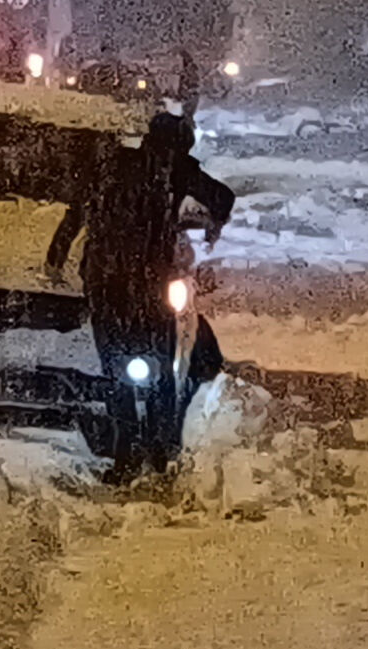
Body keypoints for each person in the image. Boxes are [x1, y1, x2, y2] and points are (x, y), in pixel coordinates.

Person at [46, 106, 238, 421]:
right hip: (148, 282)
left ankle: (124, 430)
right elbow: (222, 198)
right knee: (160, 357)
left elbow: (77, 212)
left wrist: (56, 257)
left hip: (105, 278)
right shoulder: (177, 171)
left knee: (113, 357)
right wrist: (212, 226)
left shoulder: (112, 166)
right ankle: (160, 432)